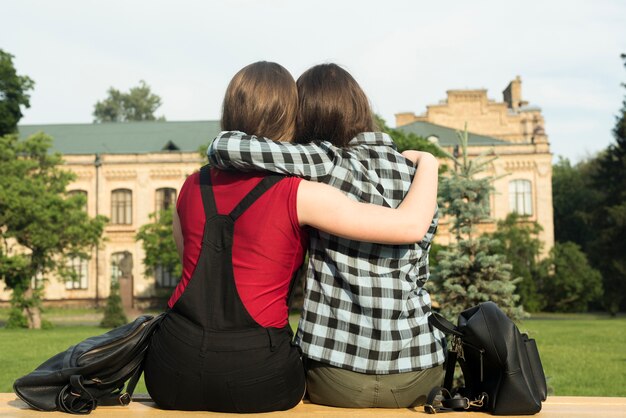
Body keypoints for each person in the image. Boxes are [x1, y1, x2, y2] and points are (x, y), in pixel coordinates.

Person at [144, 61, 439, 413]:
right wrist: (430, 163)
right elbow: (408, 226)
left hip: (171, 368)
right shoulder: (307, 191)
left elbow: (193, 266)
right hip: (274, 373)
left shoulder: (193, 186)